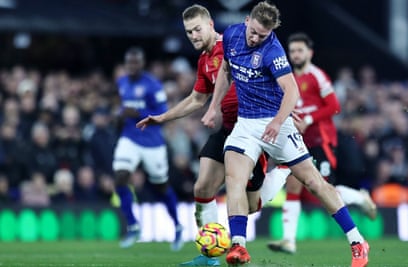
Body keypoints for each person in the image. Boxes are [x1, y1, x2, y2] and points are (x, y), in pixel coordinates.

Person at [201, 2, 369, 266]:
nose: (256, 38)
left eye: (262, 35)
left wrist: (278, 122)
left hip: (276, 123)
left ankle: (357, 240)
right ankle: (239, 246)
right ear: (247, 21)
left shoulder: (273, 50)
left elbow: (291, 91)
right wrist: (213, 108)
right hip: (245, 125)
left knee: (315, 184)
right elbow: (225, 71)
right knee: (234, 178)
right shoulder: (232, 35)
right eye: (254, 32)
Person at [136, 5, 277, 266]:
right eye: (189, 31)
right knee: (202, 187)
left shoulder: (236, 43)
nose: (193, 35)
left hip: (252, 131)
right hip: (228, 130)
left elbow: (268, 69)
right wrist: (163, 117)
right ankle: (209, 256)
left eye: (197, 29)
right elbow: (196, 99)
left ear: (211, 24)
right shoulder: (204, 60)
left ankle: (283, 172)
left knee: (250, 204)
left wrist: (285, 110)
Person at [267, 33, 377, 254]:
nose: (296, 55)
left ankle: (359, 197)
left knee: (323, 188)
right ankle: (289, 240)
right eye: (293, 51)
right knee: (294, 185)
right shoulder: (286, 78)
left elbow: (334, 106)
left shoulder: (317, 76)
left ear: (310, 53)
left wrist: (308, 119)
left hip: (320, 140)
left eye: (300, 50)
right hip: (297, 141)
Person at [113, 47, 183, 250]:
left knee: (161, 186)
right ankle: (133, 225)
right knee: (120, 178)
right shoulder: (122, 82)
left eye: (135, 63)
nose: (132, 67)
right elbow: (122, 107)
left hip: (152, 142)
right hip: (129, 138)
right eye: (129, 63)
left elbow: (163, 114)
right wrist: (120, 115)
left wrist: (137, 112)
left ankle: (177, 226)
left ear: (142, 64)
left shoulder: (153, 85)